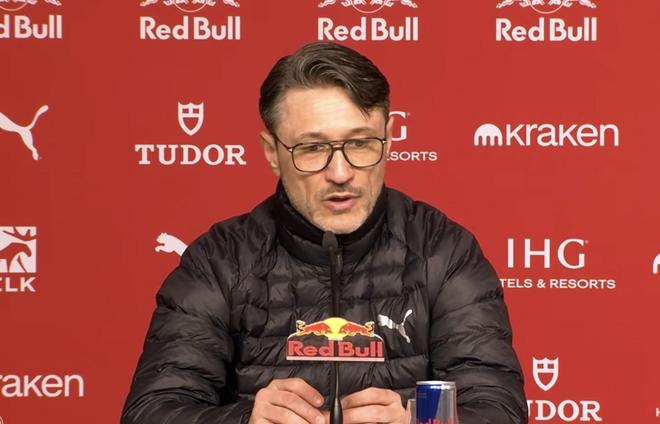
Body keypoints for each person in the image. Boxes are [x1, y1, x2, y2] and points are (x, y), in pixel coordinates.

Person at [121, 42, 527, 424]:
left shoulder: (443, 251)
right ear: (272, 152)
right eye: (312, 148)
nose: (340, 173)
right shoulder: (219, 260)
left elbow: (498, 408)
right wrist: (245, 420)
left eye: (361, 143)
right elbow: (152, 410)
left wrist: (416, 421)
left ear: (388, 140)